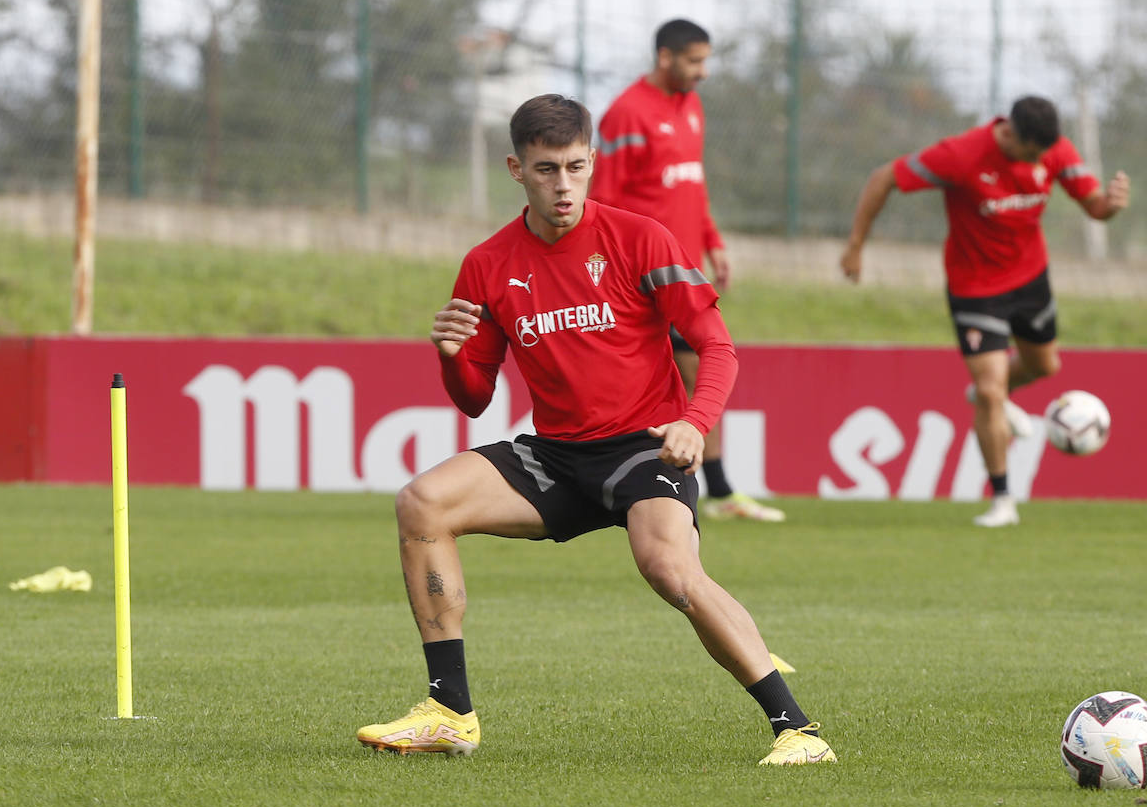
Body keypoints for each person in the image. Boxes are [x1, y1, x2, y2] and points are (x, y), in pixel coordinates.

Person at [357, 94, 834, 766]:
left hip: (644, 450)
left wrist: (696, 424)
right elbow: (473, 399)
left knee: (668, 566)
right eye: (546, 169)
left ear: (593, 162)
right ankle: (448, 711)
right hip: (555, 456)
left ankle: (798, 731)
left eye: (576, 168)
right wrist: (451, 354)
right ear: (515, 169)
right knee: (422, 502)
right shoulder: (489, 264)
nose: (563, 186)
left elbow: (718, 347)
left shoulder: (641, 239)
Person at [838, 96, 1130, 528]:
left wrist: (1112, 205)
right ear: (1009, 133)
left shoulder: (1056, 150)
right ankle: (1003, 500)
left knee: (1044, 366)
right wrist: (857, 245)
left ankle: (987, 391)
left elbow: (1095, 209)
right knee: (994, 391)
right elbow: (884, 178)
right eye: (1032, 154)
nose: (1039, 161)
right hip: (975, 290)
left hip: (1031, 281)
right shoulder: (960, 155)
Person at [591, 18, 785, 523]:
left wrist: (714, 242)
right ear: (665, 58)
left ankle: (711, 490)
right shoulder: (625, 115)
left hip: (683, 273)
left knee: (696, 374)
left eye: (705, 61)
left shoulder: (691, 108)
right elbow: (604, 202)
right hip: (638, 278)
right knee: (673, 379)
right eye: (695, 61)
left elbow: (691, 189)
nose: (703, 72)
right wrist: (610, 272)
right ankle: (690, 488)